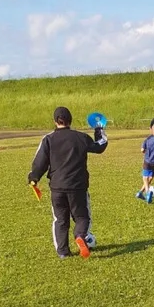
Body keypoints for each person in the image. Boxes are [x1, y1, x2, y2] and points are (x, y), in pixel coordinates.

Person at [28, 106, 108, 259]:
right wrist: (99, 130)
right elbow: (100, 146)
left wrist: (34, 177)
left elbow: (40, 162)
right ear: (71, 120)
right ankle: (80, 236)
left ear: (54, 121)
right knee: (82, 217)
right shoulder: (81, 137)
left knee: (60, 219)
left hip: (57, 188)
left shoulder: (48, 139)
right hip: (78, 187)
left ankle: (63, 252)